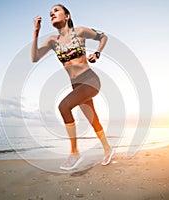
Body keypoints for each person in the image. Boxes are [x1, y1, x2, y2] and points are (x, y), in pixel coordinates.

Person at [31, 4, 114, 170]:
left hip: (90, 80)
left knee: (64, 106)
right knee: (93, 119)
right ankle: (108, 149)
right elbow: (34, 57)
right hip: (76, 86)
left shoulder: (80, 32)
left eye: (56, 10)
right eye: (50, 13)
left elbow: (104, 37)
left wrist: (97, 53)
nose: (52, 14)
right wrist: (36, 32)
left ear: (67, 16)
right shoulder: (52, 42)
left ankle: (74, 153)